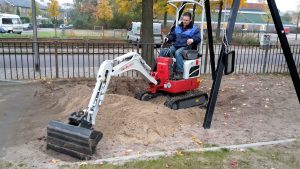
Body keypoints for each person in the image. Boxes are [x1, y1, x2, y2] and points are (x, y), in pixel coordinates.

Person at [161, 12, 201, 79]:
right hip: (177, 45)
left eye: (186, 20)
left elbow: (198, 38)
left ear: (190, 20)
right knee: (166, 51)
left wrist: (192, 40)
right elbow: (173, 36)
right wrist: (168, 38)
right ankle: (164, 70)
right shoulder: (178, 27)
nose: (184, 22)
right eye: (183, 20)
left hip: (187, 47)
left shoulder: (194, 29)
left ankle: (180, 73)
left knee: (178, 53)